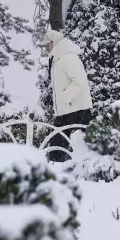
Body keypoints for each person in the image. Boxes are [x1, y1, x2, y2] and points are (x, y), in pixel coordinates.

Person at [39, 30, 93, 162]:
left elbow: (79, 81)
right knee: (60, 145)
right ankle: (57, 169)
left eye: (48, 44)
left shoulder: (68, 58)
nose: (46, 47)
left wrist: (65, 97)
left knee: (69, 145)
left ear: (55, 42)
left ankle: (59, 170)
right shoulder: (58, 59)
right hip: (67, 110)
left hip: (76, 110)